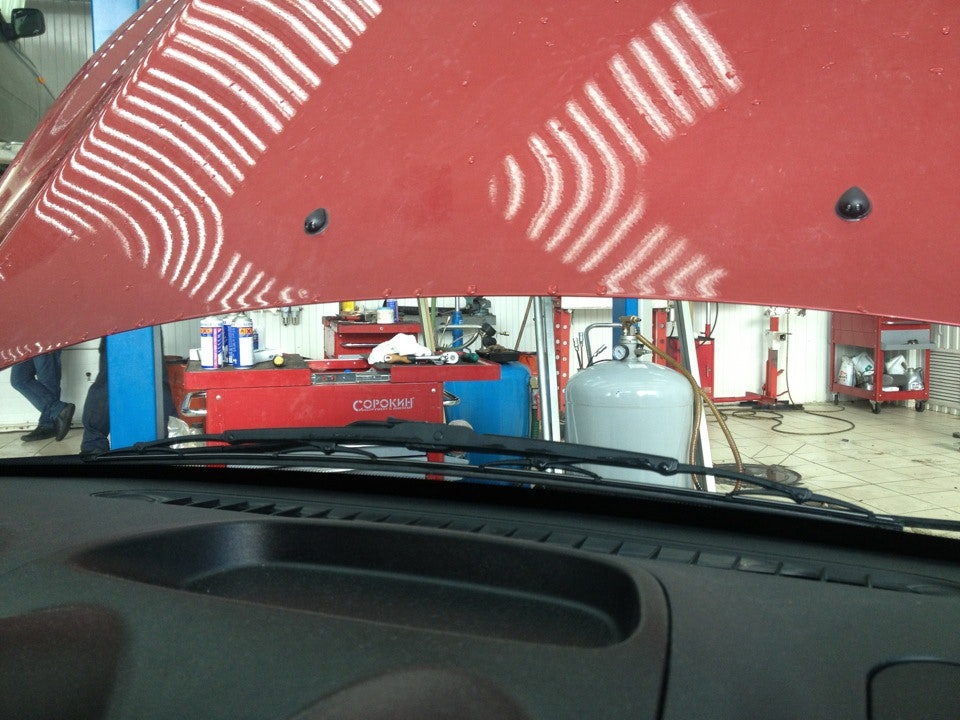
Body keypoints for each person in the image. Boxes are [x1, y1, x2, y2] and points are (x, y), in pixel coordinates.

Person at [10, 350, 75, 442]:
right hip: (22, 343)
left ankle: (48, 425)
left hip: (45, 342)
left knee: (48, 382)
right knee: (19, 380)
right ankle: (58, 409)